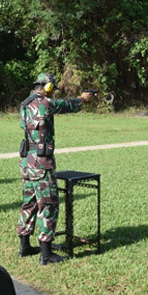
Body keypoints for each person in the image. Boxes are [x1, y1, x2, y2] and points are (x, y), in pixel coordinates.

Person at [17, 72, 94, 265]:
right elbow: (66, 105)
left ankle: (25, 247)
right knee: (48, 204)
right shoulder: (45, 103)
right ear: (47, 86)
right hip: (41, 162)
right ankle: (46, 253)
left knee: (30, 203)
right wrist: (82, 99)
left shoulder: (24, 104)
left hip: (27, 160)